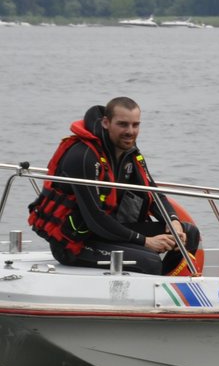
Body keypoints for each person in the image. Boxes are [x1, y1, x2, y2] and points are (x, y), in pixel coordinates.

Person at [28, 97, 202, 274]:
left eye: (135, 125)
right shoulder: (83, 156)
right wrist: (146, 241)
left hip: (108, 232)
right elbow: (95, 219)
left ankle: (169, 288)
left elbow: (152, 194)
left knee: (189, 233)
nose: (130, 131)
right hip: (75, 243)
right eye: (123, 124)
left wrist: (172, 221)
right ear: (106, 123)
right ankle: (158, 290)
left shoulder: (129, 153)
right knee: (149, 261)